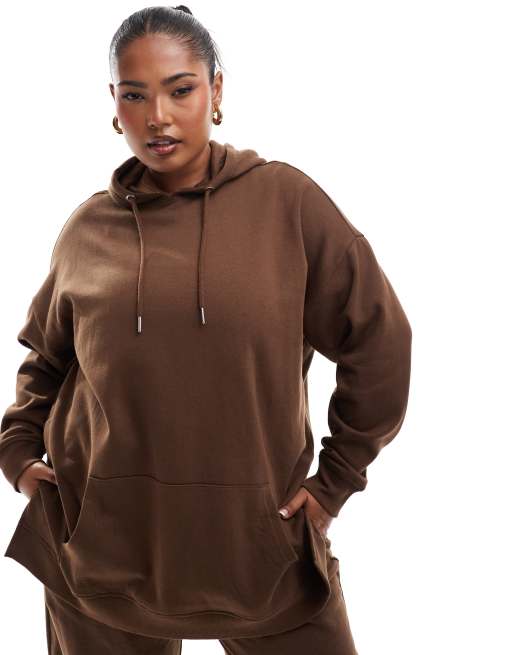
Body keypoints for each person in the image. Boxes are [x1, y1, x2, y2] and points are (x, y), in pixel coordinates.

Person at [0, 5, 412, 654]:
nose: (157, 116)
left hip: (260, 549)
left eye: (180, 89)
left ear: (216, 90)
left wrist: (335, 479)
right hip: (100, 551)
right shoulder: (87, 230)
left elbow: (380, 340)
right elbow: (48, 361)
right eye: (135, 95)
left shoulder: (285, 204)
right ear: (114, 105)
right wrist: (19, 454)